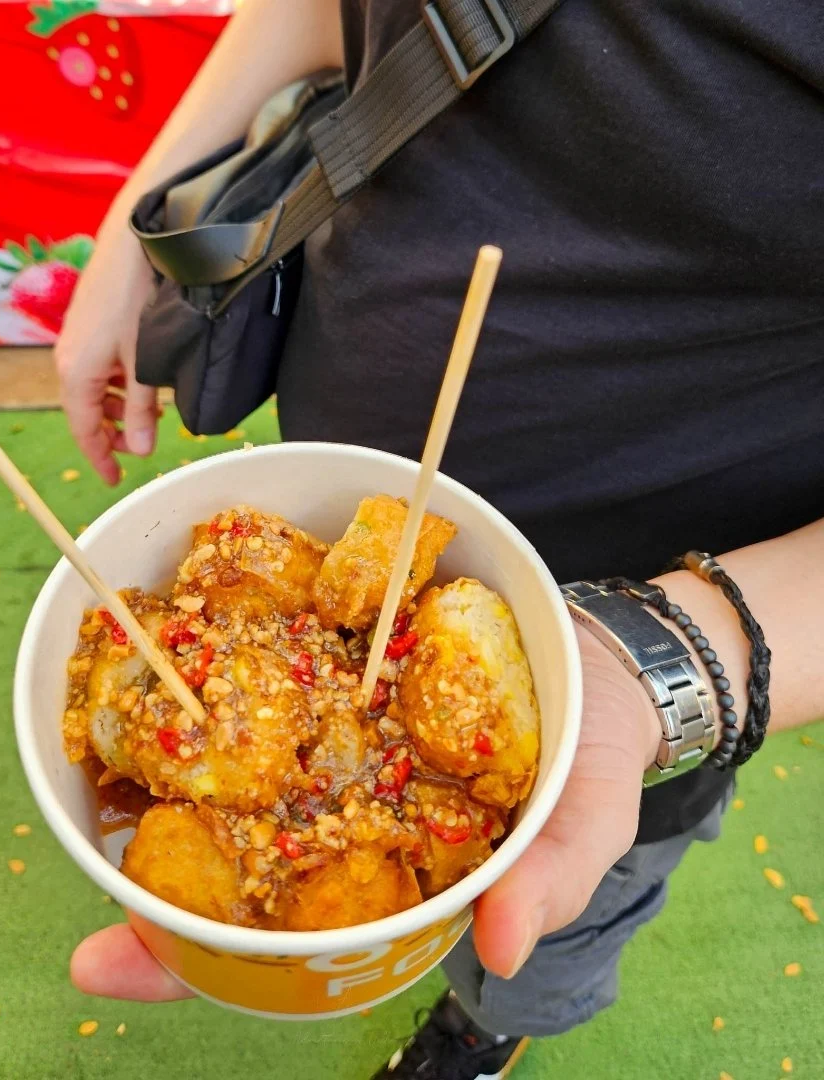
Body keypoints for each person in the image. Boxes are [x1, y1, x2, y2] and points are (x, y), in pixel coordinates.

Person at [52, 4, 824, 1079]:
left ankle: (488, 1026)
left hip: (657, 650)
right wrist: (152, 208)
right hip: (344, 460)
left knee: (548, 929)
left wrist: (673, 659)